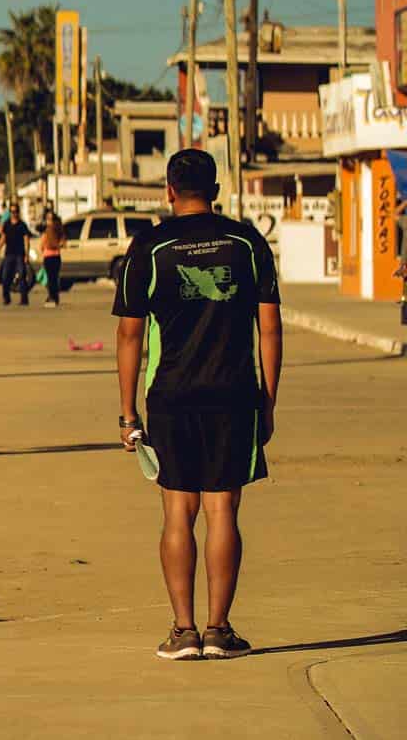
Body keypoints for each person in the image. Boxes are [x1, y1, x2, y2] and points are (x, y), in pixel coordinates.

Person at [114, 149, 281, 662]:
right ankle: (219, 630)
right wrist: (267, 403)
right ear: (216, 188)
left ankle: (183, 632)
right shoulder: (246, 242)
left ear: (168, 190)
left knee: (177, 512)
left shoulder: (150, 246)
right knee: (222, 509)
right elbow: (270, 327)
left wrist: (128, 415)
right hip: (233, 395)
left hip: (170, 396)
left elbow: (129, 334)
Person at [0, 203, 32, 307]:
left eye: (15, 212)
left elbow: (26, 239)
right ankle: (6, 298)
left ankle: (24, 299)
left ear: (18, 213)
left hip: (19, 254)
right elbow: (3, 237)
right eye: (12, 212)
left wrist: (27, 254)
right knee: (5, 276)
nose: (14, 214)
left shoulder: (22, 225)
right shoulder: (6, 224)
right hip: (9, 254)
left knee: (22, 276)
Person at [39, 212, 66, 307]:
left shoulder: (48, 230)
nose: (48, 221)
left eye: (49, 219)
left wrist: (46, 246)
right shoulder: (59, 230)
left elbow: (43, 245)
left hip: (49, 256)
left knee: (51, 279)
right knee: (54, 278)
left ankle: (52, 297)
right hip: (56, 256)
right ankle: (55, 297)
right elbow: (63, 243)